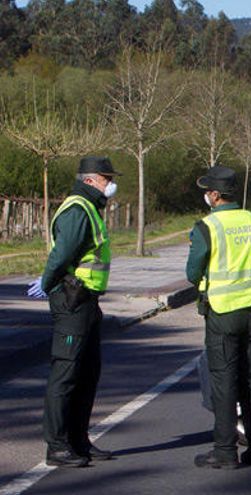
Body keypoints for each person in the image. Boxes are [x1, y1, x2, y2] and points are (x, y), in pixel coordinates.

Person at [27, 157, 121, 467]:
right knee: (66, 373)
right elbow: (62, 253)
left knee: (87, 373)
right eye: (107, 179)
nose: (111, 185)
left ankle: (79, 440)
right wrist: (46, 282)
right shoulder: (78, 209)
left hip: (87, 300)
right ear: (91, 180)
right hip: (72, 300)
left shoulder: (89, 208)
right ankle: (57, 445)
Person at [186, 166, 251, 470]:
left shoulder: (207, 227)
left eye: (207, 191)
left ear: (215, 195)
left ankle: (225, 451)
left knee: (223, 382)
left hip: (222, 312)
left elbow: (191, 272)